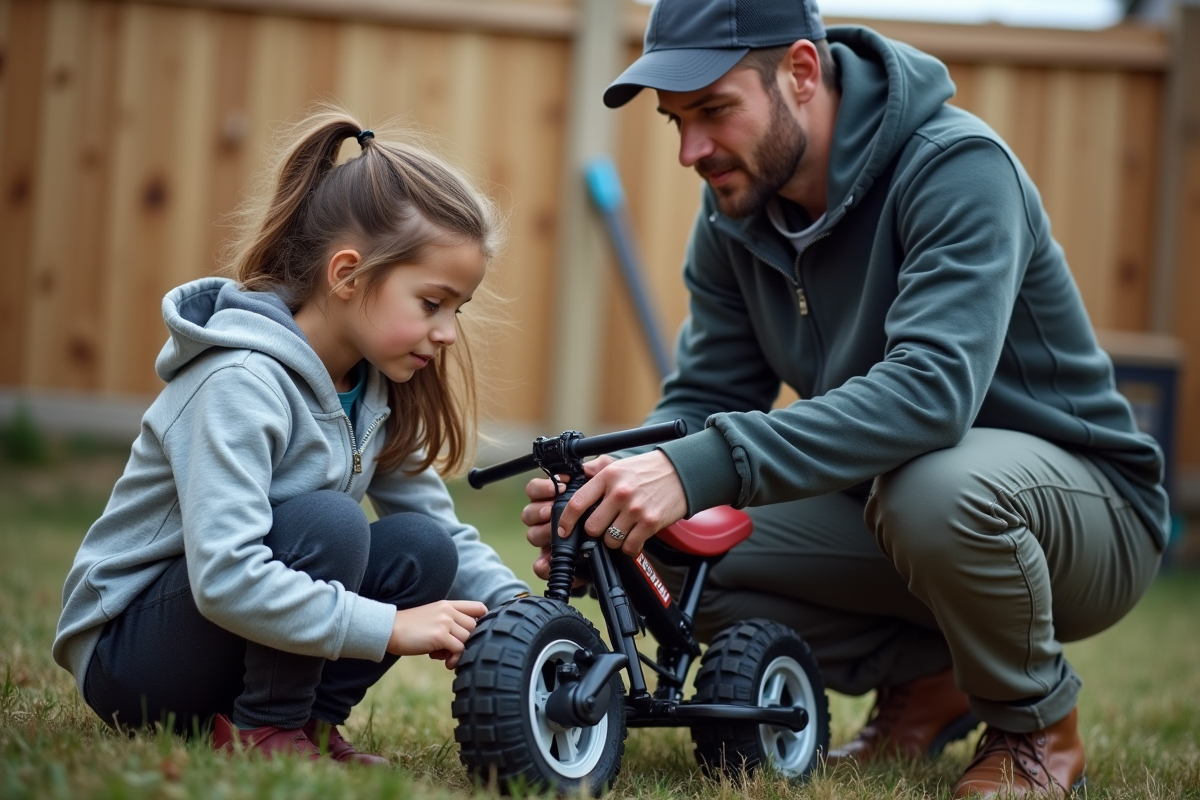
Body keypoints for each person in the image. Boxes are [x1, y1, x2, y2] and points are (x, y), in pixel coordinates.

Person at [522, 0, 1168, 796]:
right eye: (675, 121)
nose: (692, 150)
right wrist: (613, 484)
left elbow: (931, 396)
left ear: (799, 72)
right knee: (656, 551)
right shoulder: (737, 210)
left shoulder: (957, 167)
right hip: (890, 505)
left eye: (715, 111)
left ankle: (1035, 727)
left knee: (935, 489)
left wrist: (698, 466)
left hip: (1084, 513)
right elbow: (708, 396)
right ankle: (938, 674)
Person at [53, 106, 529, 763]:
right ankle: (264, 731)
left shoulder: (377, 388)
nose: (448, 332)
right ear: (347, 275)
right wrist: (387, 627)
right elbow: (225, 577)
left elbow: (439, 533)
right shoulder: (239, 381)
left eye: (458, 308)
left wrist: (517, 613)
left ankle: (305, 726)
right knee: (329, 523)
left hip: (230, 644)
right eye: (431, 302)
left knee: (424, 548)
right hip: (135, 660)